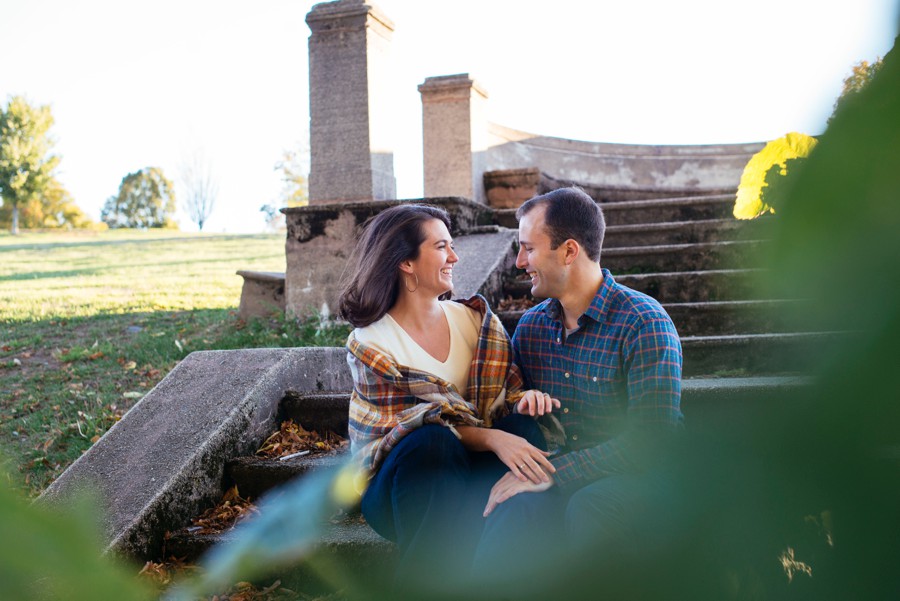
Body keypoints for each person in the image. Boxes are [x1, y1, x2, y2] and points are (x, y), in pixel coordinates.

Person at [337, 203, 560, 592]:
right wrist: (490, 436)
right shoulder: (370, 342)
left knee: (523, 428)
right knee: (432, 441)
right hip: (403, 485)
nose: (455, 257)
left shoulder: (474, 320)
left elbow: (505, 395)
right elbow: (411, 423)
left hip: (470, 480)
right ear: (406, 262)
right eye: (442, 247)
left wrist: (526, 400)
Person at [472, 187, 684, 596]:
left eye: (528, 248)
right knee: (509, 504)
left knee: (590, 507)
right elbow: (508, 409)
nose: (518, 263)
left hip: (640, 476)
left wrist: (554, 474)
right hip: (562, 468)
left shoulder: (643, 322)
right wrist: (522, 405)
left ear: (569, 251)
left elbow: (653, 441)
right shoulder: (532, 328)